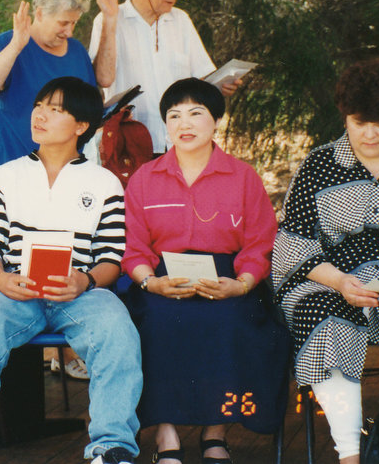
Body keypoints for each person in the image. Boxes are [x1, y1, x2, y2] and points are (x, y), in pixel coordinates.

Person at [0, 76, 142, 464]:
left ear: (82, 125)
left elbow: (111, 259)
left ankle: (111, 445)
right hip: (14, 290)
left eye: (56, 109)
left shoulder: (103, 183)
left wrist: (83, 280)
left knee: (118, 328)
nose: (40, 115)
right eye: (39, 106)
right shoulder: (6, 175)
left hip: (79, 294)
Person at [273, 58, 379, 464]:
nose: (369, 133)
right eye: (358, 122)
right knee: (322, 316)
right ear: (345, 117)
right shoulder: (319, 166)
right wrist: (340, 282)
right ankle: (350, 456)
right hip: (336, 288)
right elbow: (292, 245)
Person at [122, 78, 289, 464]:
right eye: (175, 115)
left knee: (233, 322)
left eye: (196, 113)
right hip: (163, 279)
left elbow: (261, 241)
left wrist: (243, 283)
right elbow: (133, 247)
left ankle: (216, 432)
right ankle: (167, 438)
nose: (185, 123)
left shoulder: (243, 177)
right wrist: (151, 281)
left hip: (228, 279)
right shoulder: (146, 179)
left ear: (216, 121)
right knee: (156, 323)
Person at [88, 0, 240, 155]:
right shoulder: (109, 19)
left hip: (180, 144)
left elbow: (203, 79)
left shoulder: (181, 20)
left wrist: (220, 86)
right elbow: (102, 79)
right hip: (130, 147)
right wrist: (110, 21)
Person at [0, 0, 119, 175]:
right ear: (39, 14)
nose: (69, 32)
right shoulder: (7, 43)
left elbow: (105, 79)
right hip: (10, 170)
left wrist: (110, 19)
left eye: (73, 23)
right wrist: (16, 46)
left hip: (62, 172)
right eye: (63, 23)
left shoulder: (76, 50)